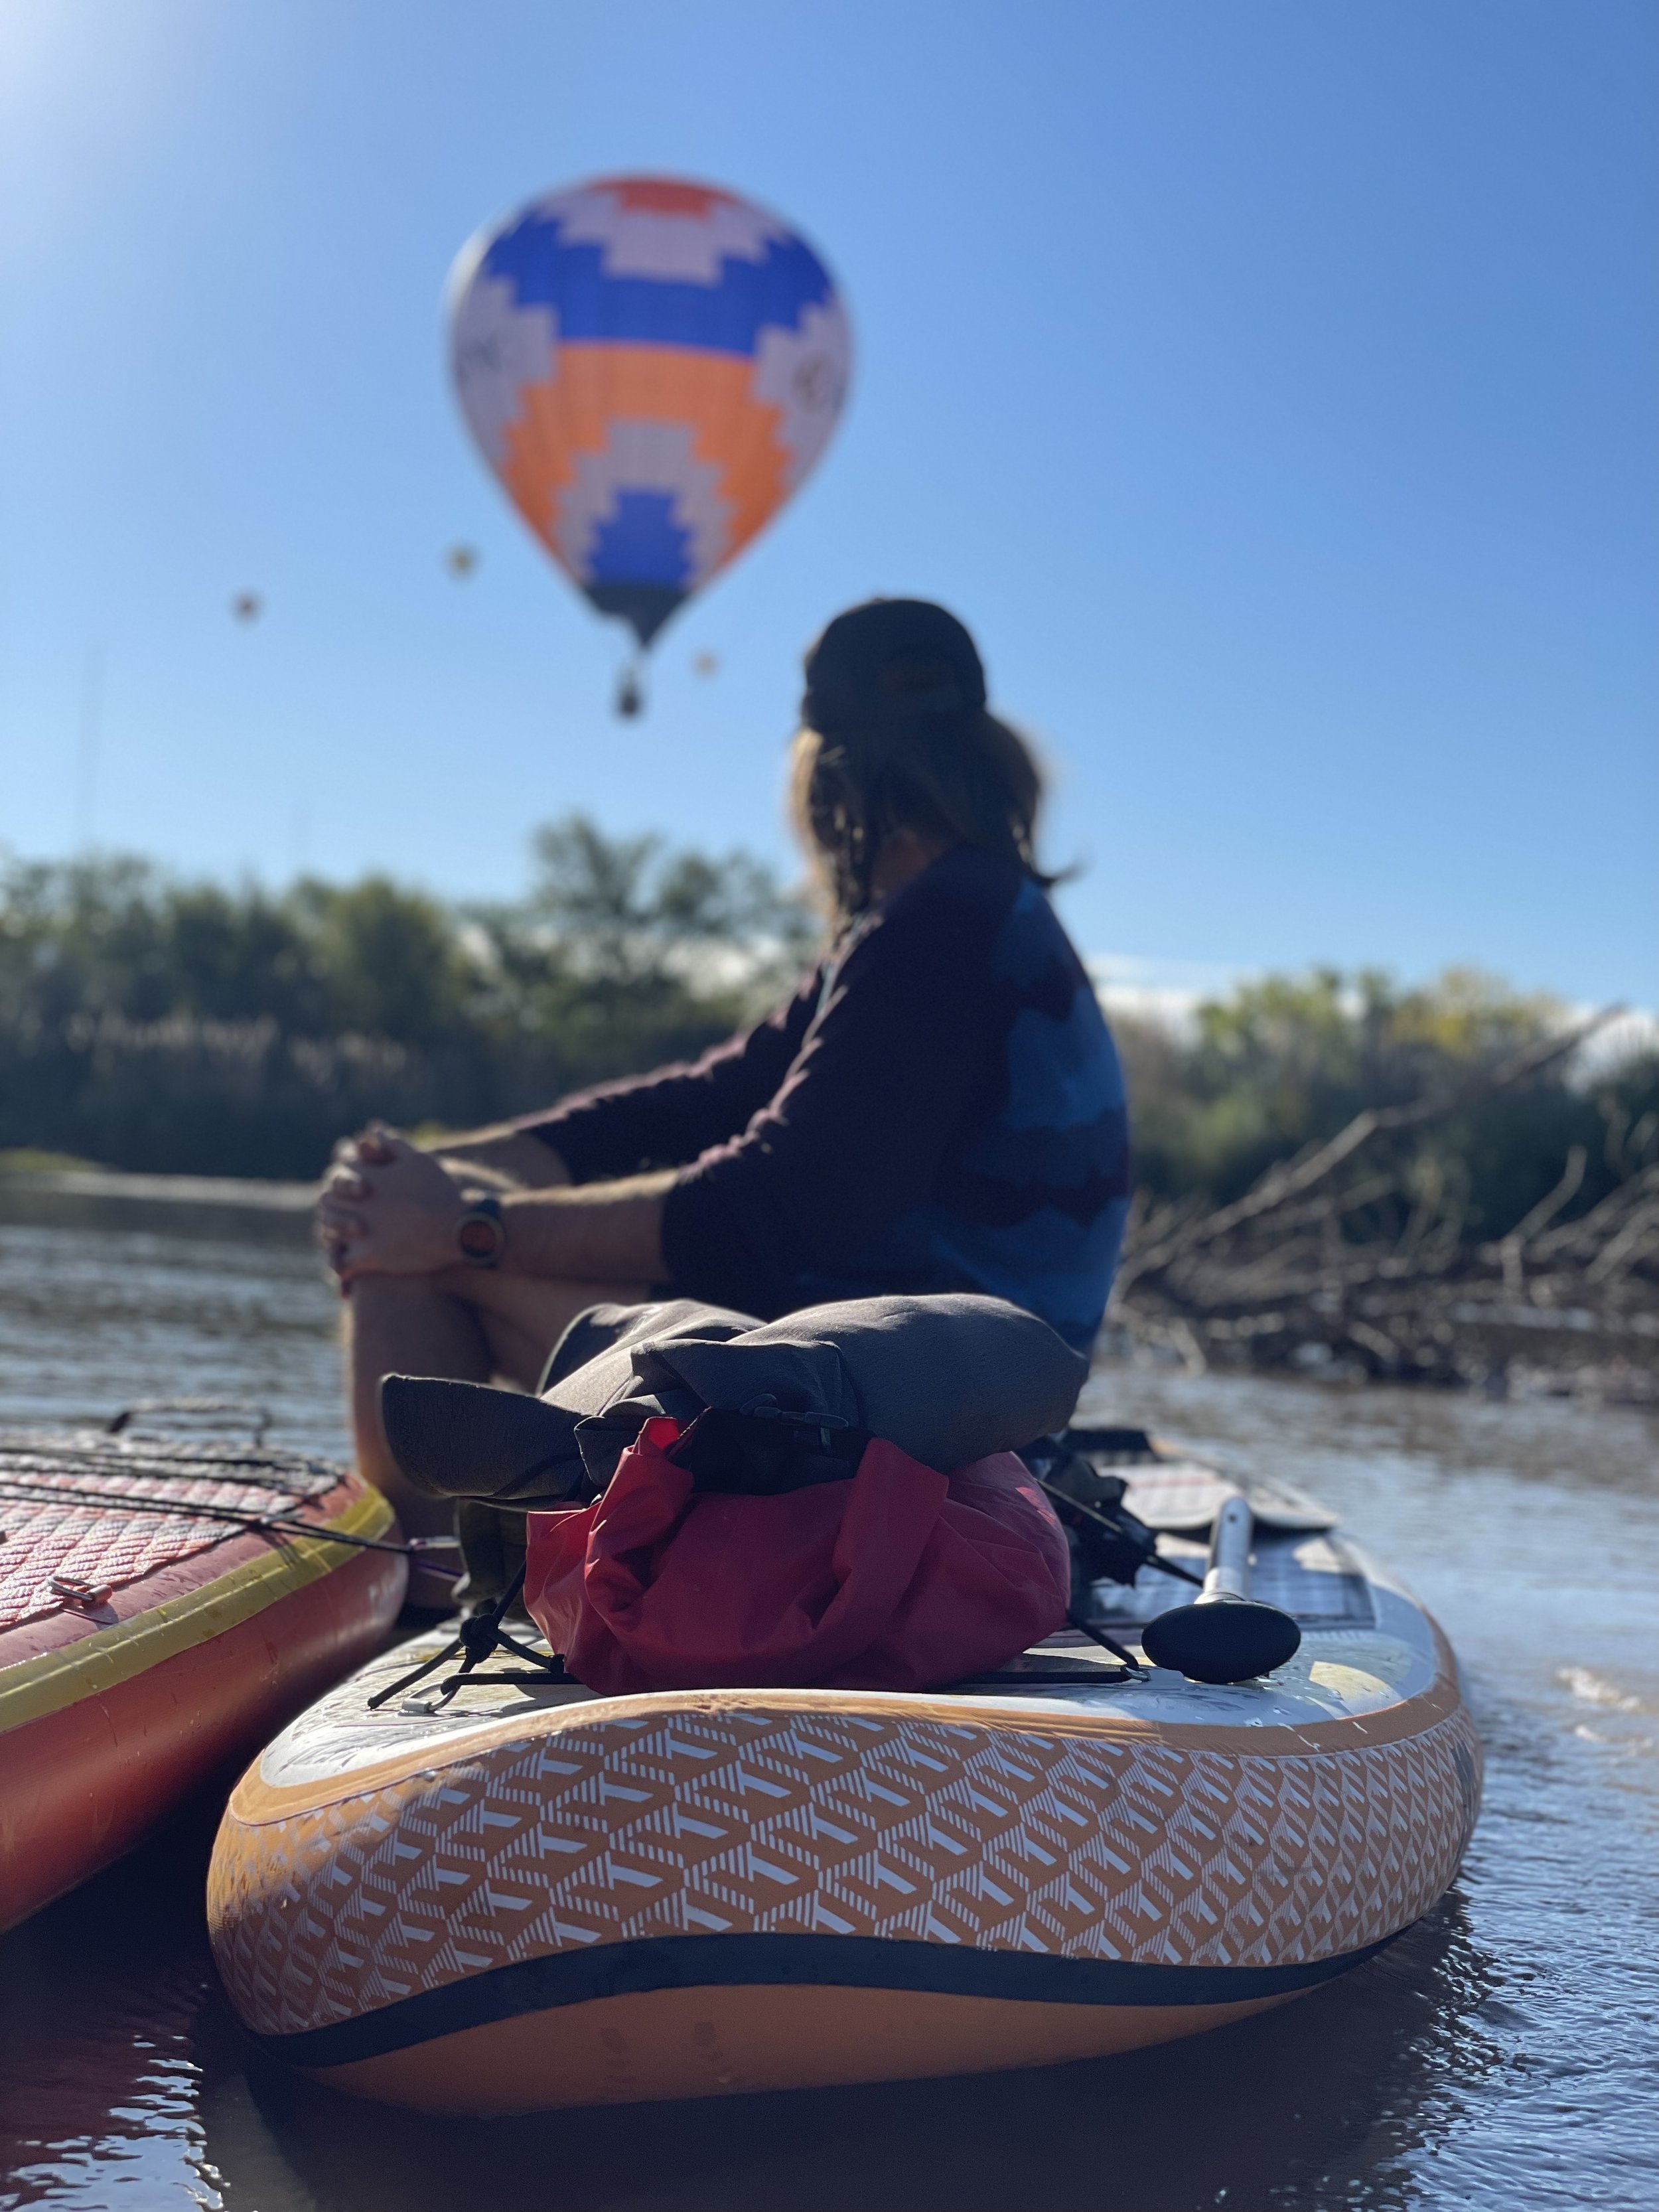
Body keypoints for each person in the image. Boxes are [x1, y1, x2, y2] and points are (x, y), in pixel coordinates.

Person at [317, 598, 1132, 1589]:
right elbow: (699, 1102)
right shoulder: (961, 917)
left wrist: (463, 1231)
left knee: (412, 1270)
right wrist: (435, 1177)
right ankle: (487, 1564)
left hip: (905, 1433)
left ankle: (422, 1591)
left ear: (825, 776)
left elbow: (769, 1204)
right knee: (403, 1229)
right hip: (926, 1400)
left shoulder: (940, 930)